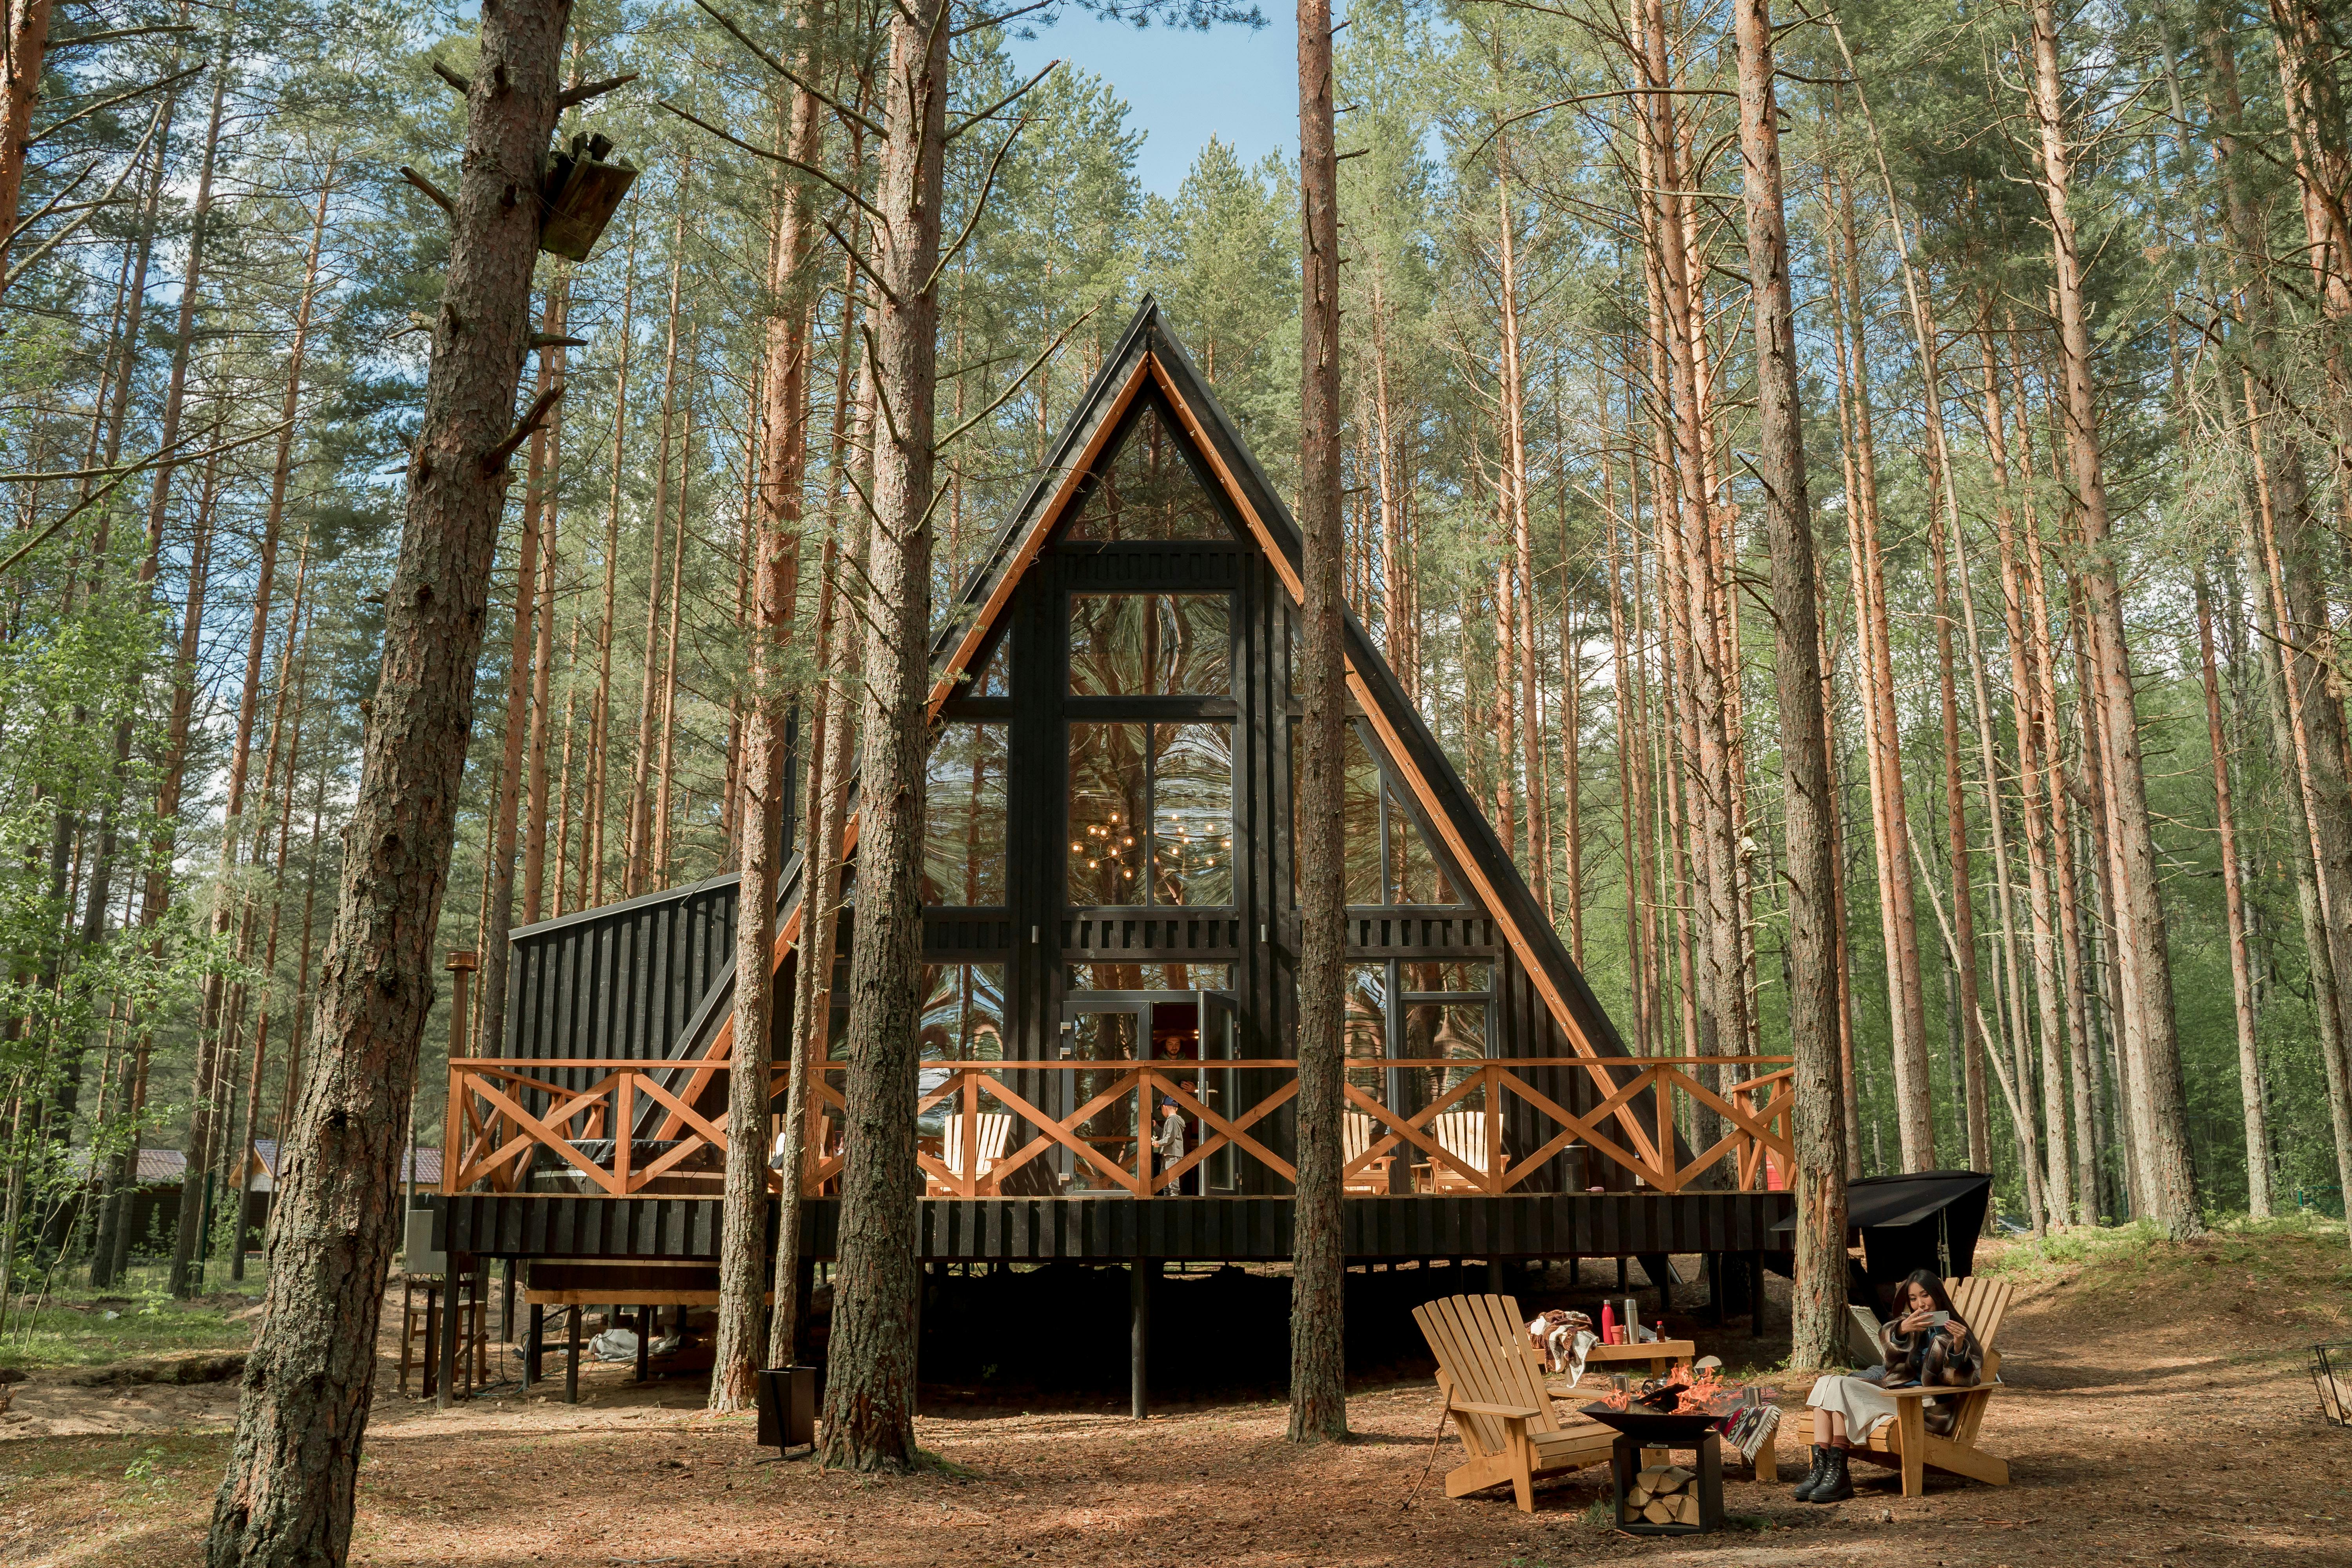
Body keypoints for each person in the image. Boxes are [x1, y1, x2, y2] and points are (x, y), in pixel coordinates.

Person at [1794, 1270, 1981, 1503]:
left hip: (1920, 1406)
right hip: (1893, 1395)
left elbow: (1961, 1381)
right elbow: (1889, 1360)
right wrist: (1903, 1330)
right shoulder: (1909, 1326)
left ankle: (1838, 1475)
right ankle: (1822, 1472)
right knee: (1826, 1382)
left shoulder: (1956, 1333)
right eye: (1913, 1299)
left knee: (1838, 1385)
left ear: (1938, 1295)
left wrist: (1957, 1346)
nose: (1920, 1304)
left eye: (1925, 1296)